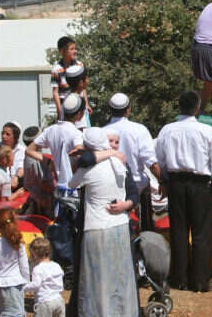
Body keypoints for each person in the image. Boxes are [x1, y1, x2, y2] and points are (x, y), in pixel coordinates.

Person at [155, 90, 212, 292]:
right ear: (197, 108)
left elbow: (159, 160)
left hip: (176, 184)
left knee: (178, 231)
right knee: (201, 233)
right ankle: (201, 281)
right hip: (200, 186)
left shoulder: (167, 130)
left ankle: (180, 279)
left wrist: (165, 181)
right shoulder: (207, 130)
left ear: (179, 107)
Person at [68, 126, 139, 317]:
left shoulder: (89, 167)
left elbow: (71, 183)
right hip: (120, 226)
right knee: (120, 276)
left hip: (96, 228)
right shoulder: (119, 163)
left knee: (96, 278)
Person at [105, 92, 161, 231]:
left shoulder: (102, 132)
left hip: (111, 187)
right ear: (128, 109)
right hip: (137, 187)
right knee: (144, 230)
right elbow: (151, 163)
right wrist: (164, 182)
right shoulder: (139, 130)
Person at [26, 93, 85, 191]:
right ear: (79, 114)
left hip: (59, 187)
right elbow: (79, 150)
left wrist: (49, 162)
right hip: (74, 189)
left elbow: (29, 150)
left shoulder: (50, 130)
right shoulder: (76, 133)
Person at [0, 208, 30, 317]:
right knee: (16, 313)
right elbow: (24, 266)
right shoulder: (18, 242)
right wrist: (26, 282)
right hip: (15, 283)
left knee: (1, 311)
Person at [24, 238, 65, 317]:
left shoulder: (38, 269)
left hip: (44, 302)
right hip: (59, 300)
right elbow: (61, 281)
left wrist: (23, 288)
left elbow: (35, 285)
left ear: (34, 255)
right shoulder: (56, 265)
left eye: (31, 255)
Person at [20, 126, 55, 218]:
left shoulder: (31, 156)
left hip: (38, 198)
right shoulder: (34, 158)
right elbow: (44, 184)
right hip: (42, 202)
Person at [50, 36, 82, 123]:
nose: (75, 51)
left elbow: (83, 88)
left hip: (79, 106)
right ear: (62, 51)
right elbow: (55, 92)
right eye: (71, 49)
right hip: (65, 107)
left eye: (75, 49)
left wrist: (86, 103)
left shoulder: (79, 65)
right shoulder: (56, 69)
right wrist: (59, 110)